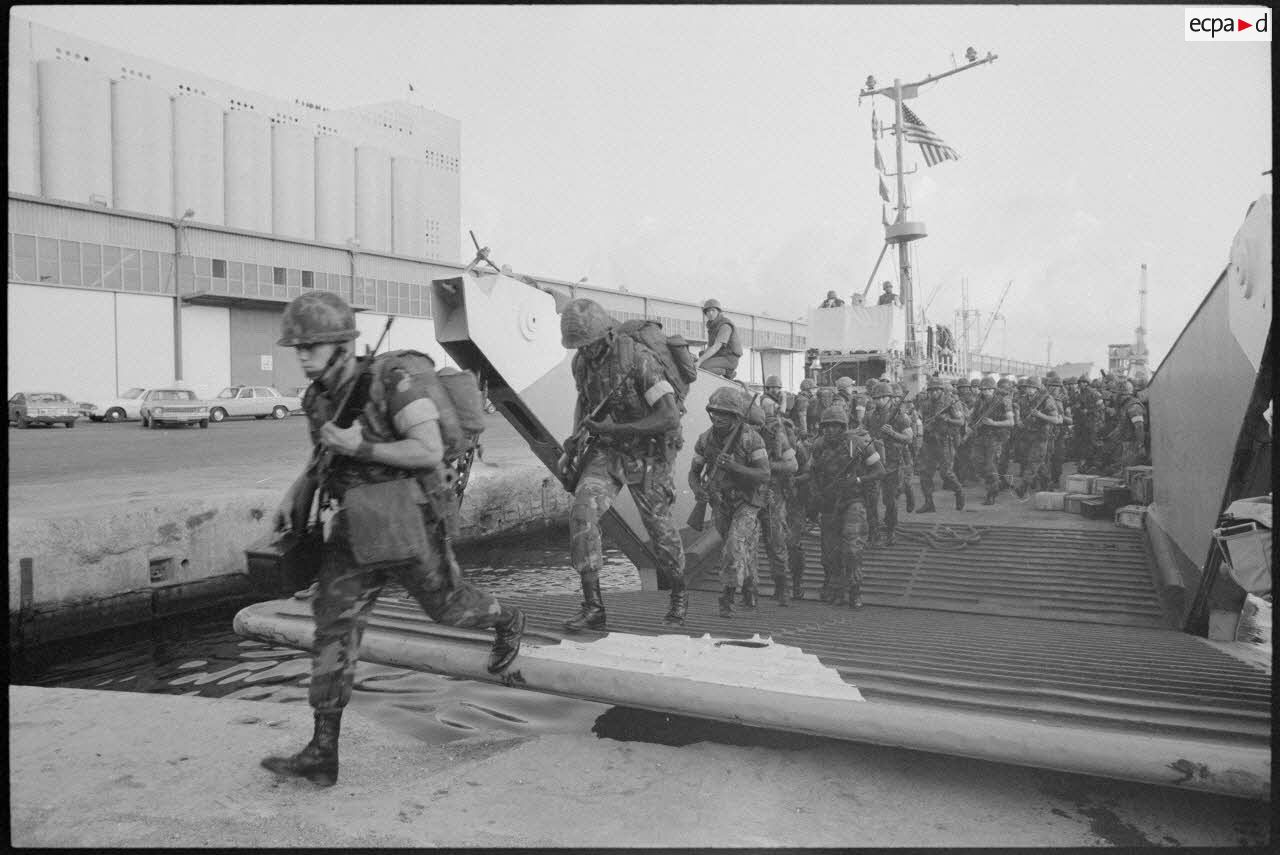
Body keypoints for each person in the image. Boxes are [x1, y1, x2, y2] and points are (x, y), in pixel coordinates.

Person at [260, 291, 525, 788]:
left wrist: (361, 443)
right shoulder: (318, 398)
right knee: (332, 628)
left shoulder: (392, 381)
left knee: (450, 608)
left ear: (342, 344)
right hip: (354, 530)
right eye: (296, 346)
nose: (302, 354)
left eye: (312, 345)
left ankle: (508, 619)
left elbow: (427, 450)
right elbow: (324, 459)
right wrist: (297, 492)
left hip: (410, 522)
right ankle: (322, 752)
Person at [558, 298, 688, 631]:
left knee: (660, 531)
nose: (584, 352)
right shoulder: (582, 364)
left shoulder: (639, 360)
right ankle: (594, 607)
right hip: (609, 450)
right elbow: (585, 401)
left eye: (589, 345)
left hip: (649, 452)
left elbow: (669, 416)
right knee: (582, 512)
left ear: (607, 336)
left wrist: (617, 429)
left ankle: (678, 591)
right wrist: (574, 438)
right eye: (579, 347)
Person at [690, 387, 771, 618]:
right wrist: (698, 491)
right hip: (721, 503)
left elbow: (764, 474)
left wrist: (734, 467)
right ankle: (749, 587)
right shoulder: (705, 440)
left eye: (724, 413)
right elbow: (694, 472)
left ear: (736, 416)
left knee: (734, 546)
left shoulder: (751, 439)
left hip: (747, 501)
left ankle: (727, 596)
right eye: (715, 412)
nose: (718, 418)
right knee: (740, 548)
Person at [806, 405, 886, 607]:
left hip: (853, 500)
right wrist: (816, 496)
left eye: (835, 426)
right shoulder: (818, 446)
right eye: (826, 426)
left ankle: (855, 589)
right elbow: (812, 473)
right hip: (829, 502)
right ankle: (835, 587)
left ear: (843, 427)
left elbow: (879, 471)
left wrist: (857, 480)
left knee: (852, 548)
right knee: (829, 552)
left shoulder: (858, 444)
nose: (830, 430)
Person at [755, 396, 799, 606]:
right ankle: (748, 589)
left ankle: (783, 588)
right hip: (749, 494)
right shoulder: (744, 433)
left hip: (772, 494)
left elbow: (793, 465)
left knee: (776, 542)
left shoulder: (778, 433)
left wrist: (767, 466)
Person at [863, 381, 913, 545]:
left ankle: (891, 530)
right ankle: (874, 532)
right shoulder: (869, 414)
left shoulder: (900, 415)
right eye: (876, 398)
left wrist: (892, 433)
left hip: (892, 462)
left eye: (881, 398)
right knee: (871, 500)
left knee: (890, 501)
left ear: (889, 398)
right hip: (874, 462)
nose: (878, 401)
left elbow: (909, 438)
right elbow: (862, 432)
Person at [916, 376, 967, 512]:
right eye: (931, 390)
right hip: (929, 441)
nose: (933, 393)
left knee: (946, 473)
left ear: (941, 390)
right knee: (924, 473)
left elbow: (960, 422)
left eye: (936, 390)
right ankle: (929, 503)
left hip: (945, 441)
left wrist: (947, 419)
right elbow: (921, 418)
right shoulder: (925, 404)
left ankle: (959, 491)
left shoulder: (951, 402)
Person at [1013, 376, 1062, 499]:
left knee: (1034, 461)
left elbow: (1055, 419)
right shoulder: (1023, 400)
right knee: (1038, 462)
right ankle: (1047, 484)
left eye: (1032, 387)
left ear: (1037, 388)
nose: (1029, 389)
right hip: (1027, 435)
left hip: (1041, 436)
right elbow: (1018, 411)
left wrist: (1040, 414)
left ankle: (1023, 487)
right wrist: (1018, 420)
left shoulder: (1046, 399)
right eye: (1028, 387)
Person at [969, 376, 1014, 505]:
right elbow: (973, 416)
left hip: (996, 437)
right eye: (983, 389)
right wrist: (971, 424)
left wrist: (993, 423)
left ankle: (992, 492)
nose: (985, 392)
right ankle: (997, 482)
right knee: (976, 462)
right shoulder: (979, 400)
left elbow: (1011, 422)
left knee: (990, 465)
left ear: (994, 389)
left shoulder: (1004, 401)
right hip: (981, 436)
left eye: (988, 389)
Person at [696, 299, 742, 379]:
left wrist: (700, 361)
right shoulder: (713, 326)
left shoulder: (725, 325)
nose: (710, 313)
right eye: (708, 311)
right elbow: (710, 347)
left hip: (729, 359)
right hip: (721, 356)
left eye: (713, 310)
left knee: (702, 367)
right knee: (700, 356)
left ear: (718, 312)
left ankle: (728, 372)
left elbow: (716, 346)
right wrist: (699, 359)